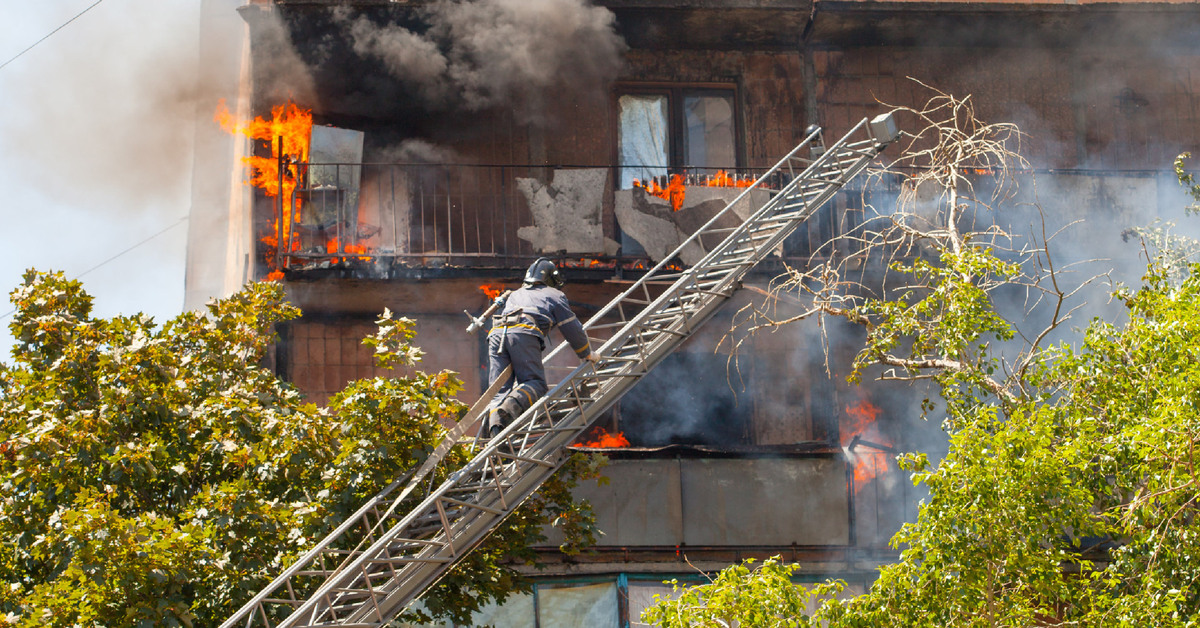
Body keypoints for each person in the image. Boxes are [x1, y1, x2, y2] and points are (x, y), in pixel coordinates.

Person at [484, 258, 597, 438]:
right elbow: (572, 328)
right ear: (551, 280)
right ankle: (509, 408)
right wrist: (586, 353)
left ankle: (494, 433)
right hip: (523, 333)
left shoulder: (515, 294)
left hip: (497, 334)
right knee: (534, 383)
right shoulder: (554, 295)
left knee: (499, 391)